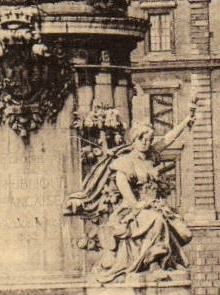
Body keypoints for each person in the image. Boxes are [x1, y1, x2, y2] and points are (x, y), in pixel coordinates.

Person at [66, 106, 199, 284]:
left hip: (155, 205)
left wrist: (186, 121)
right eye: (141, 138)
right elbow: (123, 187)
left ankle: (168, 261)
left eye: (149, 139)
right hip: (133, 208)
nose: (145, 142)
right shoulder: (125, 162)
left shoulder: (151, 156)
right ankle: (154, 265)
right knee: (156, 221)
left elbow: (168, 139)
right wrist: (137, 205)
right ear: (134, 139)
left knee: (185, 233)